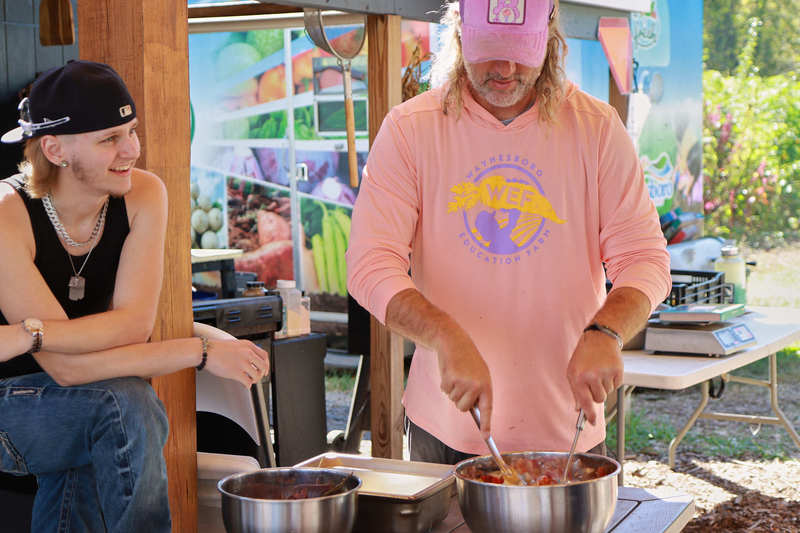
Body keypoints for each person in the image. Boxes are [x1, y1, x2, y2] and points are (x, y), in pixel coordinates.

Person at [346, 0, 671, 465]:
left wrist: (606, 331)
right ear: (460, 36)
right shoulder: (410, 129)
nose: (505, 69)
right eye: (490, 50)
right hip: (446, 421)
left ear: (550, 40)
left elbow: (644, 258)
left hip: (567, 426)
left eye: (521, 52)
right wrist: (444, 335)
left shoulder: (596, 129)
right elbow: (370, 264)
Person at [0, 60, 269, 531]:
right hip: (9, 408)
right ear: (55, 148)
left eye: (132, 131)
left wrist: (31, 334)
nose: (131, 150)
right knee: (124, 404)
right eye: (109, 139)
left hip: (80, 402)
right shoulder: (7, 214)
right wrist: (201, 352)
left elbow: (133, 326)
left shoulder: (144, 194)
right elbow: (67, 369)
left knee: (105, 417)